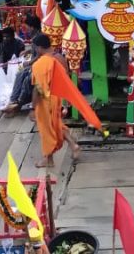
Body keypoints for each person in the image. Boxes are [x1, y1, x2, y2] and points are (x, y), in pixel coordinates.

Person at [30, 35, 81, 168]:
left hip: (46, 100)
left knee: (46, 129)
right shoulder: (60, 58)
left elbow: (39, 88)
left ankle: (48, 159)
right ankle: (73, 145)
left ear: (39, 48)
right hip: (59, 97)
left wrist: (32, 108)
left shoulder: (39, 65)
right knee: (57, 124)